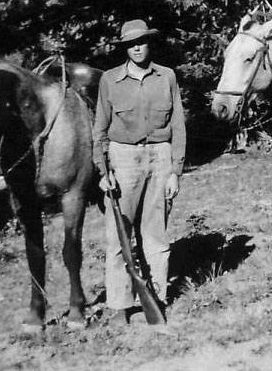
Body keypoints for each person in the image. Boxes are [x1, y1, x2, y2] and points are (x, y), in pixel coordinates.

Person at [92, 19, 186, 321]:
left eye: (141, 42)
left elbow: (178, 127)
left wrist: (175, 172)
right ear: (124, 48)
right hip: (123, 159)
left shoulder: (167, 77)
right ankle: (120, 304)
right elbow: (100, 131)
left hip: (159, 157)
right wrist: (103, 171)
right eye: (130, 44)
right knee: (119, 237)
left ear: (149, 43)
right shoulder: (109, 80)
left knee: (156, 235)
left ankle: (156, 298)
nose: (136, 47)